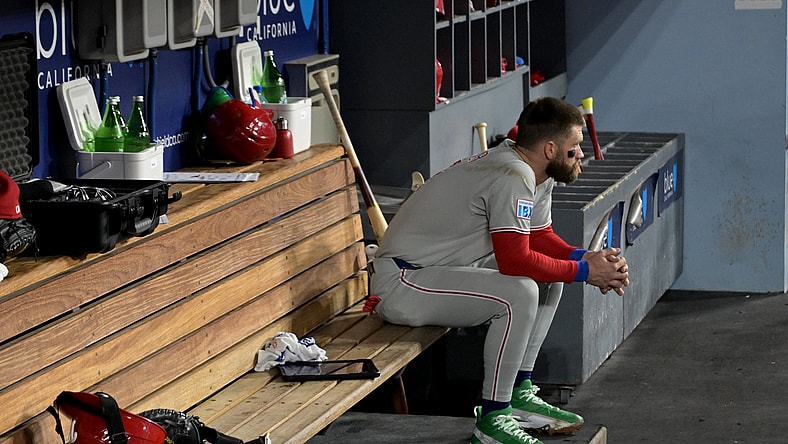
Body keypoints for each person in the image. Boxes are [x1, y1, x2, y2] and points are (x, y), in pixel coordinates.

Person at [368, 96, 629, 444]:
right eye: (574, 147)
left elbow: (538, 236)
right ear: (550, 149)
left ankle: (518, 393)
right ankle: (493, 418)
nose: (581, 154)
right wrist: (585, 271)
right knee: (520, 292)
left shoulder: (536, 171)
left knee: (548, 280)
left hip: (437, 272)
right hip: (402, 283)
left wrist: (589, 259)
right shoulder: (513, 174)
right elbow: (514, 261)